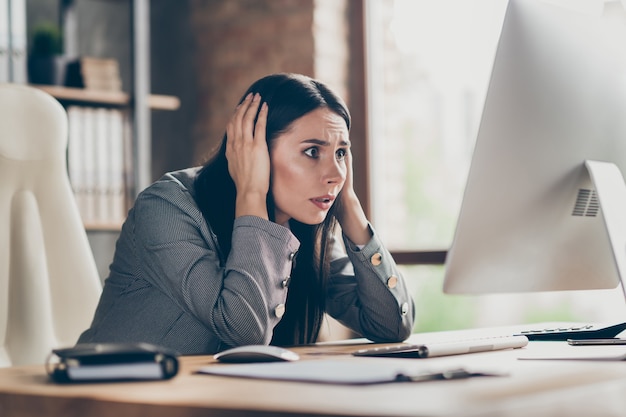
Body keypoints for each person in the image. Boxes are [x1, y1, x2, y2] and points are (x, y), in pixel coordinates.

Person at [77, 73, 415, 354]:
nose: (335, 173)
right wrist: (252, 193)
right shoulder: (167, 208)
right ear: (254, 150)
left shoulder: (301, 223)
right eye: (313, 152)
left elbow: (392, 325)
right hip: (114, 402)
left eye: (341, 153)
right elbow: (245, 333)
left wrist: (349, 205)